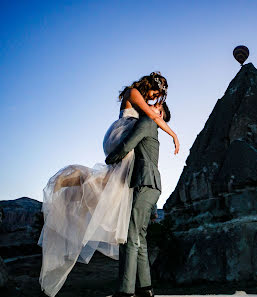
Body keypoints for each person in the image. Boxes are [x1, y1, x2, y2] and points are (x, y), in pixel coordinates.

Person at [38, 72, 175, 297]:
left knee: (128, 226)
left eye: (158, 99)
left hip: (142, 177)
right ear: (150, 86)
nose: (153, 100)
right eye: (155, 95)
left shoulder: (147, 122)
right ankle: (143, 288)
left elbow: (148, 155)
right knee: (132, 231)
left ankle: (130, 291)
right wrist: (173, 134)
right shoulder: (140, 107)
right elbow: (148, 124)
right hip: (126, 145)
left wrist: (169, 132)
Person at [105, 101, 168, 297]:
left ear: (161, 116)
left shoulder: (148, 122)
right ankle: (145, 288)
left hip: (144, 183)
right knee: (139, 238)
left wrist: (111, 158)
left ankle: (125, 292)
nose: (153, 106)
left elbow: (128, 144)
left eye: (159, 107)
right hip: (150, 186)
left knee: (129, 236)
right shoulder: (153, 127)